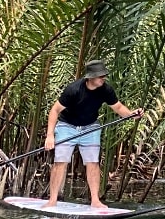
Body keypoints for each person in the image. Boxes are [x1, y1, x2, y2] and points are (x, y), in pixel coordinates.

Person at [43, 59, 141, 208]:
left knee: (93, 163)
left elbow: (118, 107)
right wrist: (50, 135)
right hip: (67, 126)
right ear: (90, 77)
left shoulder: (106, 90)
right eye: (100, 76)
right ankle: (53, 200)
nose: (103, 78)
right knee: (60, 162)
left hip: (90, 127)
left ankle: (95, 200)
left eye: (104, 75)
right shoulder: (73, 90)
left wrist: (132, 114)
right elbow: (54, 110)